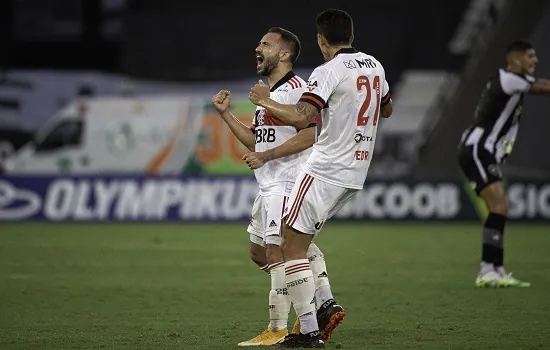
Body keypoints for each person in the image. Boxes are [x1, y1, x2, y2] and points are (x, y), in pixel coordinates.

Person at [249, 9, 392, 348]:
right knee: (295, 242)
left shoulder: (327, 70)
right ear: (352, 36)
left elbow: (303, 116)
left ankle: (310, 331)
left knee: (289, 247)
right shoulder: (375, 66)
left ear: (321, 40)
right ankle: (321, 309)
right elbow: (386, 109)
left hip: (326, 167)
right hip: (356, 171)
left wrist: (265, 101)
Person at [212, 27, 344, 347]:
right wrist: (227, 115)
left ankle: (288, 327)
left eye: (266, 44)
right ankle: (322, 300)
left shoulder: (297, 88)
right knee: (260, 252)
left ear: (283, 54)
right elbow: (257, 138)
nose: (258, 47)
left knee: (279, 251)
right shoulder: (266, 93)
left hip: (290, 179)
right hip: (269, 181)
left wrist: (266, 150)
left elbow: (309, 131)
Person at [457, 40, 550, 288]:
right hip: (478, 149)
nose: (535, 61)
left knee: (500, 207)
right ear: (515, 60)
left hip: (482, 151)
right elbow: (543, 88)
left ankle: (495, 269)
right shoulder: (509, 78)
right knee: (499, 204)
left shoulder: (511, 82)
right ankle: (488, 270)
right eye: (531, 56)